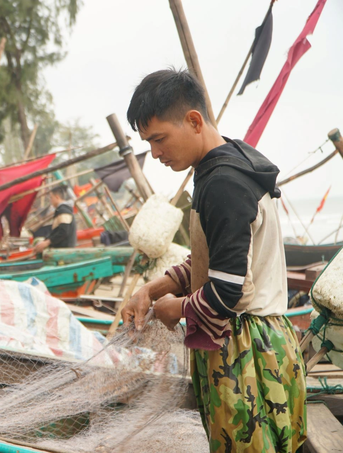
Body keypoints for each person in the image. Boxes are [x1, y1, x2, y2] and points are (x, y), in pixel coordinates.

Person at [121, 69, 306, 452]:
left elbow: (228, 288)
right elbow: (213, 260)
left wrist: (178, 309)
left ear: (193, 121)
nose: (154, 153)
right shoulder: (233, 162)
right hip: (264, 337)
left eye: (159, 139)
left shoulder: (222, 183)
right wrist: (152, 289)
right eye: (148, 142)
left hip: (244, 350)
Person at [33, 186, 77, 254]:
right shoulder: (61, 210)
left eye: (51, 197)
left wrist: (47, 242)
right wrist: (45, 241)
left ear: (57, 197)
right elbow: (56, 231)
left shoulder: (63, 211)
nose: (50, 200)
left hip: (64, 252)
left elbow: (63, 232)